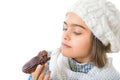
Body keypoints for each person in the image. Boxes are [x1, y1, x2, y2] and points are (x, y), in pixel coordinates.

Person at [28, 0, 120, 80]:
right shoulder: (47, 64)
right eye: (65, 28)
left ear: (98, 41)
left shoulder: (112, 77)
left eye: (76, 32)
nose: (65, 36)